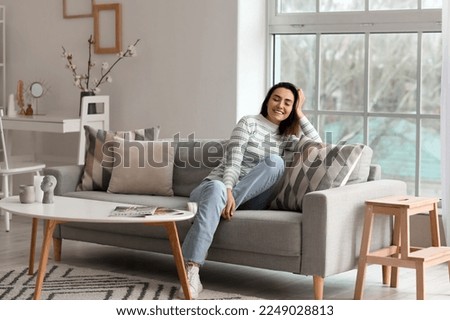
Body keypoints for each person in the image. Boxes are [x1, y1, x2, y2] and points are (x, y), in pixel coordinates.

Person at [179, 82, 322, 299]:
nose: (280, 105)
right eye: (276, 98)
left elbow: (318, 147)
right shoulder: (248, 123)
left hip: (251, 199)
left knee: (275, 162)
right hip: (216, 186)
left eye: (288, 103)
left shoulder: (287, 138)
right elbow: (233, 160)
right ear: (267, 99)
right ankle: (192, 270)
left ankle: (209, 210)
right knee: (216, 188)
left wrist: (300, 113)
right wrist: (227, 189)